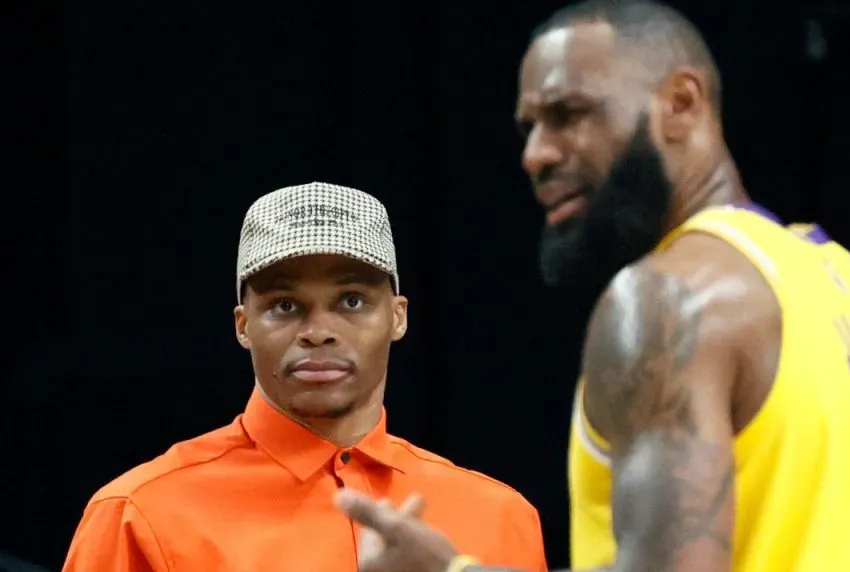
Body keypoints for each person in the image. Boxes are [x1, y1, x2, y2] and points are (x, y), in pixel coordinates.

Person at [334, 1, 850, 572]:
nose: (536, 154)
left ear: (681, 103)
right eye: (528, 127)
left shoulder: (667, 299)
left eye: (568, 114)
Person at [63, 182, 547, 572]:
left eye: (351, 300)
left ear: (398, 317)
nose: (318, 332)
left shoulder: (501, 518)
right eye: (284, 306)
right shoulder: (139, 513)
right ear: (243, 325)